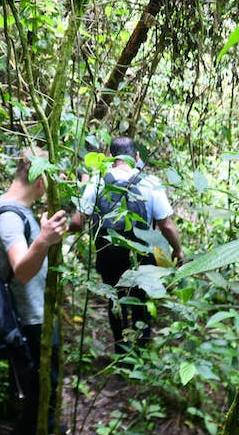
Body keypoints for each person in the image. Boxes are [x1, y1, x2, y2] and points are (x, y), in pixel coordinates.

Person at [0, 149, 68, 435]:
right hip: (29, 317)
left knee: (42, 377)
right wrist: (43, 241)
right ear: (38, 177)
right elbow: (21, 269)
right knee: (40, 381)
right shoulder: (9, 217)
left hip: (35, 311)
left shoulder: (14, 209)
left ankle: (44, 427)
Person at [72, 136, 184, 357]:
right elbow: (167, 225)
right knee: (140, 299)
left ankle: (121, 351)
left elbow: (78, 222)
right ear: (137, 157)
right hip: (141, 255)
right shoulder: (150, 183)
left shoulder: (97, 181)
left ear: (110, 157)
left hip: (108, 253)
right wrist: (177, 250)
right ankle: (140, 351)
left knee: (114, 299)